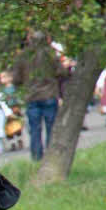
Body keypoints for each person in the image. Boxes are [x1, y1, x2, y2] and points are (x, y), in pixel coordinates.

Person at [13, 31, 66, 160]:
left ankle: (36, 156)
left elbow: (16, 79)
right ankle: (50, 156)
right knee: (51, 127)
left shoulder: (24, 56)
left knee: (35, 129)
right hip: (49, 95)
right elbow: (62, 72)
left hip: (31, 96)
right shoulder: (51, 54)